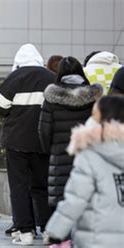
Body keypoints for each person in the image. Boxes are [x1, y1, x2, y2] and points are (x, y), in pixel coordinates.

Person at [0, 44, 54, 245]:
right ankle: (47, 231)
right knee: (42, 186)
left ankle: (25, 232)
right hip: (42, 142)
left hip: (16, 141)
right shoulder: (50, 78)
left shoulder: (14, 78)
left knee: (19, 186)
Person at [45, 95, 124, 248]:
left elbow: (76, 198)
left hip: (96, 237)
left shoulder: (90, 155)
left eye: (94, 114)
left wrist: (56, 231)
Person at [39, 56, 103, 209]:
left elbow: (44, 131)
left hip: (59, 156)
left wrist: (50, 151)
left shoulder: (51, 98)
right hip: (87, 156)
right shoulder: (93, 97)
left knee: (62, 202)